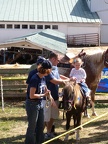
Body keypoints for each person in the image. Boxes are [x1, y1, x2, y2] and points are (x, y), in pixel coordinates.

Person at [25, 59, 53, 144]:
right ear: (46, 70)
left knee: (40, 126)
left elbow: (44, 87)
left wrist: (47, 92)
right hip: (32, 104)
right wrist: (43, 95)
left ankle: (39, 142)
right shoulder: (35, 79)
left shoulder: (43, 78)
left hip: (40, 104)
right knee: (32, 127)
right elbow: (31, 95)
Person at [43, 52, 70, 139]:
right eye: (58, 60)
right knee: (45, 117)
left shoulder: (54, 67)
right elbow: (53, 80)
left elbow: (58, 76)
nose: (59, 62)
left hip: (55, 96)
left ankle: (48, 132)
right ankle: (39, 133)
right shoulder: (46, 67)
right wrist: (65, 82)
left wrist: (68, 78)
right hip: (47, 97)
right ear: (53, 59)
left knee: (53, 116)